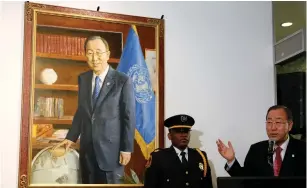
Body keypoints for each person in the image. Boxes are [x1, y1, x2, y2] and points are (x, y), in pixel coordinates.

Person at [52, 36, 136, 184]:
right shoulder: (83, 79)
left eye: (99, 52)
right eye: (90, 53)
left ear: (108, 55)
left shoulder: (122, 80)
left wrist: (126, 148)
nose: (94, 58)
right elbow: (81, 111)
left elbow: (128, 116)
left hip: (112, 152)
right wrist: (71, 137)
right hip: (87, 151)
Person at [216, 105, 306, 177]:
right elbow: (245, 180)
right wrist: (231, 160)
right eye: (269, 122)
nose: (273, 128)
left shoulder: (303, 149)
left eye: (278, 122)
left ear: (289, 125)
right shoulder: (256, 150)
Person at [144, 114, 213, 188]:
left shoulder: (200, 156)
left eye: (186, 131)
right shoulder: (158, 157)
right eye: (178, 131)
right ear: (169, 136)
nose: (184, 135)